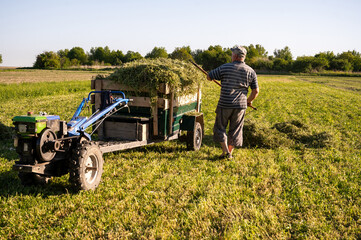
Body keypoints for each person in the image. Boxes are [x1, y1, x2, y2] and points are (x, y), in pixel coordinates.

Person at [207, 45, 259, 159]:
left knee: (220, 128)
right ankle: (229, 152)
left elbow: (209, 76)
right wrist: (248, 101)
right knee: (235, 130)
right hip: (241, 106)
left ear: (235, 56)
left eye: (232, 54)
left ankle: (226, 152)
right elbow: (255, 91)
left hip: (225, 103)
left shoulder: (225, 68)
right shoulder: (251, 71)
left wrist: (211, 77)